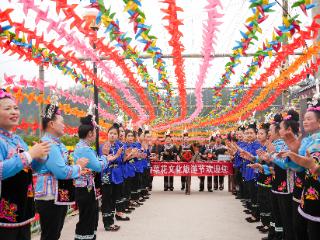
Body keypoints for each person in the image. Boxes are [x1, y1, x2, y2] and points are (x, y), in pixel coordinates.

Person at [0, 89, 51, 240]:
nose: (14, 112)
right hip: (5, 212)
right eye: (7, 108)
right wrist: (29, 154)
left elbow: (31, 170)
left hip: (24, 208)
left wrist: (40, 157)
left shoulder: (18, 140)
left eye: (16, 108)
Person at [35, 101, 89, 240]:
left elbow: (64, 167)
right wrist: (78, 167)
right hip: (50, 197)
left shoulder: (57, 144)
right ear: (51, 124)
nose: (64, 125)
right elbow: (61, 172)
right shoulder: (49, 144)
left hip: (57, 195)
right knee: (50, 235)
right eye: (62, 122)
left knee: (54, 233)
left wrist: (76, 167)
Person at [73, 113, 108, 240]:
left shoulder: (81, 146)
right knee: (87, 217)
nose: (95, 135)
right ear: (90, 134)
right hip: (85, 188)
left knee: (88, 216)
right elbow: (98, 166)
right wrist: (105, 158)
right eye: (95, 132)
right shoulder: (85, 149)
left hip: (85, 187)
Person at [100, 123, 127, 231]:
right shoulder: (103, 146)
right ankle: (107, 223)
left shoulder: (118, 146)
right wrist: (107, 155)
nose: (112, 135)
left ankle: (111, 221)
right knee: (107, 199)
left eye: (115, 134)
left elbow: (121, 160)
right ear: (107, 134)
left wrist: (126, 155)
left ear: (117, 135)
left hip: (117, 174)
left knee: (114, 198)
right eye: (110, 133)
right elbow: (102, 160)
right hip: (107, 174)